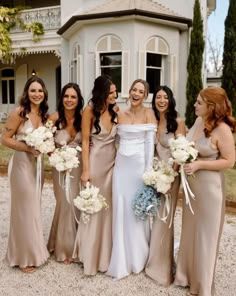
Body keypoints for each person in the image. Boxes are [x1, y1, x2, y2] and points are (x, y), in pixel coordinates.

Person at [174, 87, 236, 296]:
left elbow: (229, 161)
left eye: (199, 102)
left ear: (211, 106)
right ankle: (186, 275)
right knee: (190, 231)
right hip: (193, 187)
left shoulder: (223, 130)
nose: (194, 105)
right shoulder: (199, 122)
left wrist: (200, 165)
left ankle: (202, 285)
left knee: (205, 236)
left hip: (210, 189)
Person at [106, 79, 157, 280]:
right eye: (134, 89)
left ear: (145, 95)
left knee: (136, 209)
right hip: (121, 168)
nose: (136, 93)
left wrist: (148, 173)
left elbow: (149, 145)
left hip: (138, 169)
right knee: (121, 206)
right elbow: (115, 139)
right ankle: (120, 255)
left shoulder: (149, 114)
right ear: (129, 92)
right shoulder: (119, 114)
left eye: (141, 91)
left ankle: (139, 254)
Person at [1, 76, 50, 273]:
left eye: (40, 91)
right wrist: (27, 148)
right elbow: (4, 139)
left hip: (36, 165)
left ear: (44, 93)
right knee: (24, 210)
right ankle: (23, 257)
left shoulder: (44, 115)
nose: (36, 94)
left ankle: (34, 251)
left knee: (33, 208)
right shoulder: (19, 113)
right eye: (33, 91)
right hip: (21, 165)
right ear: (26, 93)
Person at [73, 75, 118, 275]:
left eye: (116, 91)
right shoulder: (89, 111)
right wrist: (86, 169)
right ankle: (90, 256)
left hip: (113, 164)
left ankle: (106, 254)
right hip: (96, 163)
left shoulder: (116, 111)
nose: (115, 95)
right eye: (111, 92)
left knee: (108, 209)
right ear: (102, 93)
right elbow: (84, 141)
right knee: (93, 207)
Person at [145, 85, 186, 286]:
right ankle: (153, 259)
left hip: (171, 175)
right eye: (158, 97)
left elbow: (180, 152)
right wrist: (152, 174)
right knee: (154, 216)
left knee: (164, 219)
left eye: (165, 97)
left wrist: (170, 177)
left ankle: (163, 268)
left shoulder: (177, 122)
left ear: (170, 100)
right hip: (155, 175)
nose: (161, 100)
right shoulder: (153, 120)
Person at [47, 83, 84, 264]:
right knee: (64, 201)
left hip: (77, 165)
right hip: (59, 167)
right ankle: (62, 247)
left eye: (73, 97)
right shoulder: (54, 118)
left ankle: (75, 246)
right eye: (66, 96)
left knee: (74, 201)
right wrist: (55, 156)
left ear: (78, 100)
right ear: (62, 99)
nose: (69, 100)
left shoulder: (84, 118)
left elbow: (89, 141)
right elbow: (45, 143)